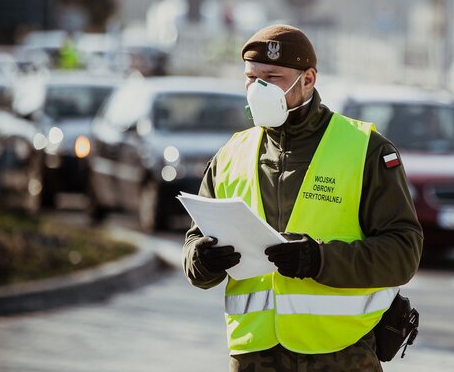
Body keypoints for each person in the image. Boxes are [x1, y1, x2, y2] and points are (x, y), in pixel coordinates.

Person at [182, 24, 424, 371]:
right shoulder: (231, 154)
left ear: (308, 79)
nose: (258, 88)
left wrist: (318, 258)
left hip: (342, 354)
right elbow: (194, 243)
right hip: (253, 355)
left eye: (273, 76)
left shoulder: (366, 150)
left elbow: (404, 253)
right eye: (251, 77)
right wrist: (200, 260)